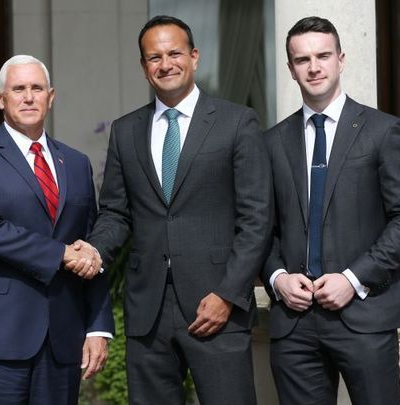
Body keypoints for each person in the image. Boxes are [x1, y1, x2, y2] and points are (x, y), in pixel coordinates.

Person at [79, 15, 272, 405]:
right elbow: (116, 212)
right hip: (148, 309)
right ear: (143, 67)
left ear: (195, 57)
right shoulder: (126, 130)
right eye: (154, 57)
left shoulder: (237, 122)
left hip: (216, 304)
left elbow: (257, 218)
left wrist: (229, 293)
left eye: (174, 53)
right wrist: (96, 250)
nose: (165, 64)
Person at [261, 16, 400, 405]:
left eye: (322, 56)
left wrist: (353, 279)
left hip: (365, 315)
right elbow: (259, 227)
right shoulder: (270, 142)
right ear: (290, 69)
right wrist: (278, 277)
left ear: (341, 59)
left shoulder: (384, 131)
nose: (314, 67)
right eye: (303, 60)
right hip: (294, 323)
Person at [0, 54, 114, 405]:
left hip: (61, 341)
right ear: (0, 98)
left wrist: (98, 326)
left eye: (36, 88)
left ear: (51, 97)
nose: (28, 97)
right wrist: (61, 253)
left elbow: (91, 246)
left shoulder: (76, 164)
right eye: (18, 89)